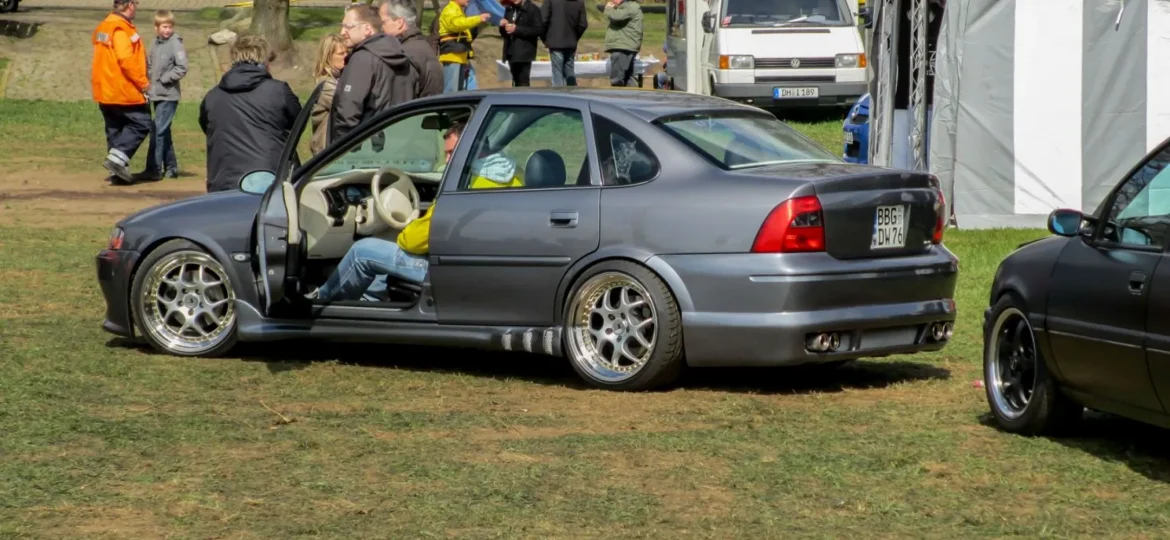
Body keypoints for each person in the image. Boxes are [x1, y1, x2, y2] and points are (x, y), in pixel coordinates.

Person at [310, 121, 521, 302]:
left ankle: (321, 303)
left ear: (472, 149)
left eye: (451, 153)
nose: (446, 160)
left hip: (444, 269)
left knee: (362, 251)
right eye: (445, 154)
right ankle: (371, 304)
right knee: (384, 254)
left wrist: (407, 231)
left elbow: (416, 240)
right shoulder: (510, 175)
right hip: (477, 265)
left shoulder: (466, 187)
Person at [198, 35, 301, 193]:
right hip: (270, 177)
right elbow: (297, 123)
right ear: (264, 59)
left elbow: (207, 126)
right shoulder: (278, 91)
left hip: (224, 180)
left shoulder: (213, 96)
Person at [331, 3, 417, 144]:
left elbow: (348, 111)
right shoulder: (402, 54)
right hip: (402, 144)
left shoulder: (362, 59)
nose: (342, 32)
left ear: (367, 29)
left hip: (368, 149)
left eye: (348, 26)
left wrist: (341, 150)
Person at [90, 0, 152, 185]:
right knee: (142, 123)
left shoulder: (104, 26)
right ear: (130, 5)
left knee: (115, 128)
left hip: (105, 89)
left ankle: (118, 172)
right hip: (122, 89)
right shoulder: (120, 29)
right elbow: (126, 59)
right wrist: (143, 82)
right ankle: (117, 161)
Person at [136, 9, 187, 181]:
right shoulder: (154, 44)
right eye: (164, 27)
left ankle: (154, 169)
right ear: (156, 28)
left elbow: (181, 67)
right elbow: (149, 66)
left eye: (170, 26)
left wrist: (165, 79)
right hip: (155, 94)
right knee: (164, 131)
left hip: (169, 95)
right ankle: (171, 167)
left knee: (157, 130)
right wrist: (147, 85)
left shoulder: (175, 43)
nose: (167, 30)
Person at [379, 1, 443, 98]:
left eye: (383, 22)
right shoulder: (420, 45)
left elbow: (400, 100)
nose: (381, 28)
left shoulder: (404, 55)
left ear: (399, 23)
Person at [437, 0, 491, 93]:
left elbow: (465, 32)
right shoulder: (450, 10)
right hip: (452, 56)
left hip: (460, 55)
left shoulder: (458, 10)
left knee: (460, 89)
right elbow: (456, 24)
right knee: (451, 90)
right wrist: (478, 19)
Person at [310, 33, 346, 156]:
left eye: (347, 53)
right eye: (341, 54)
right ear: (328, 57)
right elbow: (347, 104)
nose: (346, 57)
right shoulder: (326, 85)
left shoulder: (339, 79)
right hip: (326, 151)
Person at [540, 0, 588, 87]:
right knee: (569, 70)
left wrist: (545, 39)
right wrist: (574, 37)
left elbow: (543, 20)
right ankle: (572, 93)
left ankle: (559, 96)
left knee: (557, 72)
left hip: (555, 41)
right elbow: (583, 24)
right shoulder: (579, 2)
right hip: (571, 41)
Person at [499, 0, 542, 87]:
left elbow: (539, 30)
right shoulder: (509, 9)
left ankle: (524, 100)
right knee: (515, 81)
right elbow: (505, 33)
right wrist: (502, 27)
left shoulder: (533, 9)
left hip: (524, 52)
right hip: (511, 51)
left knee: (523, 82)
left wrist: (517, 30)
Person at [604, 0, 643, 87]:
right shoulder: (628, 6)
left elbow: (616, 16)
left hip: (623, 48)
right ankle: (634, 97)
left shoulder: (630, 6)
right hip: (624, 46)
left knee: (617, 80)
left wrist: (608, 9)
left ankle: (619, 98)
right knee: (627, 78)